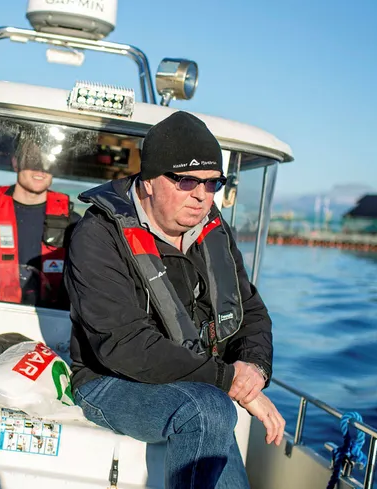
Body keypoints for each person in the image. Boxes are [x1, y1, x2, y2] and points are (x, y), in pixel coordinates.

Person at [64, 111, 285, 489]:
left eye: (213, 183)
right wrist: (228, 381)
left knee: (210, 408)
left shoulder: (214, 230)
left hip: (198, 384)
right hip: (108, 380)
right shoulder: (98, 235)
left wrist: (253, 369)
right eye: (186, 181)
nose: (202, 195)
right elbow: (124, 345)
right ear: (149, 181)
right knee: (208, 408)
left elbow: (251, 312)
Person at [0, 138, 81, 309]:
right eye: (33, 160)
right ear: (16, 163)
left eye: (48, 162)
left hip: (53, 321)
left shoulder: (73, 223)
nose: (41, 169)